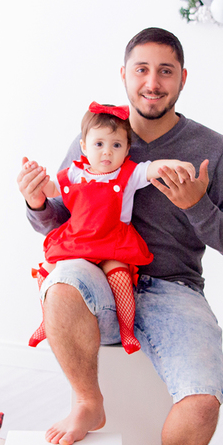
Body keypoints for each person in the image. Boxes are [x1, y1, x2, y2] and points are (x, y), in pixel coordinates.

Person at [17, 27, 223, 445]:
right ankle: (87, 402)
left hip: (173, 289)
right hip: (98, 276)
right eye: (141, 70)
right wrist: (37, 204)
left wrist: (197, 204)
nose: (152, 82)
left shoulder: (210, 149)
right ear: (124, 76)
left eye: (165, 71)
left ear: (183, 79)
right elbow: (60, 220)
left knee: (202, 401)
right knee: (59, 284)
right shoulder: (92, 135)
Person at [24, 102, 196, 354]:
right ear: (83, 146)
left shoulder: (128, 173)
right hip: (78, 241)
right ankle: (45, 321)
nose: (107, 152)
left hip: (112, 243)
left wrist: (176, 165)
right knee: (48, 273)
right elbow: (51, 190)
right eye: (99, 144)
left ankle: (127, 330)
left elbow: (152, 169)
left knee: (121, 279)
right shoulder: (75, 173)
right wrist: (35, 180)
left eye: (116, 145)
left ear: (127, 149)